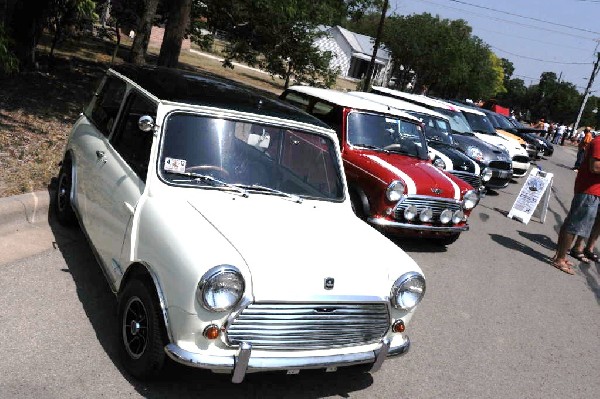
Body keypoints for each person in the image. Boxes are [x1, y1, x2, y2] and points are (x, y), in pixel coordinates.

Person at [553, 133, 600, 274]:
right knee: (574, 226)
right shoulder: (599, 143)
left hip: (594, 192)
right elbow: (595, 167)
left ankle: (560, 256)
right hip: (589, 191)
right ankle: (559, 259)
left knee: (572, 224)